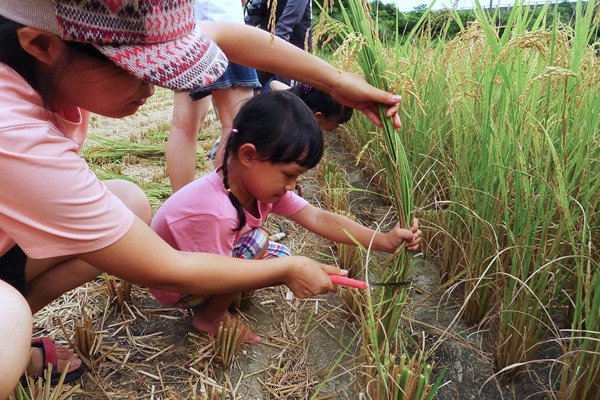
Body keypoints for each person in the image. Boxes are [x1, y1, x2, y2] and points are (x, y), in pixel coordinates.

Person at [0, 0, 402, 395]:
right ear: (40, 45)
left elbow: (226, 35)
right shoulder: (12, 129)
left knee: (130, 202)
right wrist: (286, 268)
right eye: (134, 70)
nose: (150, 87)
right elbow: (166, 268)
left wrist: (335, 81)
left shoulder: (51, 54)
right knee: (8, 323)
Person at [149, 90, 421, 344]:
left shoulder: (249, 185)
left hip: (204, 258)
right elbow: (206, 273)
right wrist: (275, 274)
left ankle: (223, 297)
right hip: (181, 285)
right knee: (258, 242)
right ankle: (211, 316)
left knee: (279, 255)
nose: (292, 186)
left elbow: (316, 217)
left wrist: (382, 241)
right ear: (248, 155)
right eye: (288, 175)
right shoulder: (215, 212)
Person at [168, 0, 261, 191]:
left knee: (184, 126)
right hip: (225, 22)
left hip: (187, 29)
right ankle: (222, 205)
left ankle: (182, 207)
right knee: (235, 125)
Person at [245, 0, 312, 87]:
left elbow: (284, 29)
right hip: (268, 48)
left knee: (285, 96)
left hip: (291, 56)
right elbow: (250, 20)